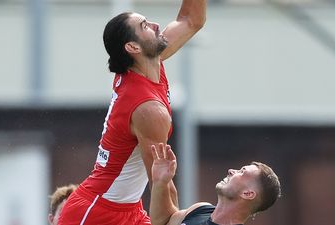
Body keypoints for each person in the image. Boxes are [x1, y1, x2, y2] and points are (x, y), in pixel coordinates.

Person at [58, 1, 206, 225]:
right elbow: (161, 181)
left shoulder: (149, 65)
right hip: (97, 214)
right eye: (145, 25)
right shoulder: (148, 109)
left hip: (126, 207)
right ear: (133, 47)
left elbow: (192, 20)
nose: (156, 25)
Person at [150, 144, 281, 225]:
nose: (231, 171)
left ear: (248, 193)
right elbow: (162, 222)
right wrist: (160, 182)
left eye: (242, 172)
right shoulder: (200, 209)